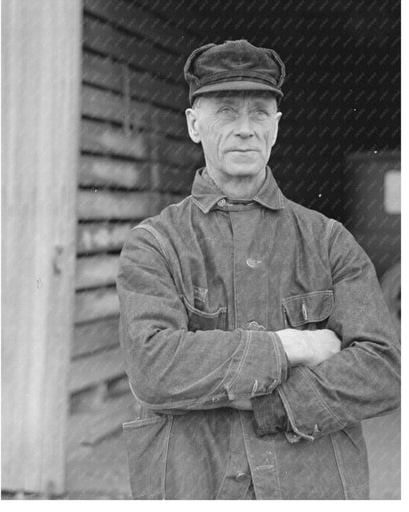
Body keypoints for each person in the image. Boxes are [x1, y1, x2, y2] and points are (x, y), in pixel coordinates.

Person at [117, 40, 400, 500]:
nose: (245, 129)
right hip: (196, 486)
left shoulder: (328, 240)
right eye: (226, 112)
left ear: (276, 127)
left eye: (259, 113)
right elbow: (153, 369)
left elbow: (384, 369)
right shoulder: (155, 243)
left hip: (311, 487)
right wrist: (294, 345)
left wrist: (273, 402)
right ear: (194, 125)